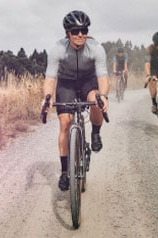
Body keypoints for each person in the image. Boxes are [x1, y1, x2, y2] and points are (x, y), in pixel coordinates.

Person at [42, 10, 109, 191]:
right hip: (66, 83)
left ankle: (95, 132)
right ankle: (65, 172)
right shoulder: (58, 49)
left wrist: (103, 95)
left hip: (88, 80)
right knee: (65, 122)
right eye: (75, 31)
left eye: (84, 30)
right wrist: (47, 98)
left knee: (95, 101)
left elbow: (102, 76)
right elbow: (50, 78)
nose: (80, 35)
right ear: (67, 33)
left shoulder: (96, 48)